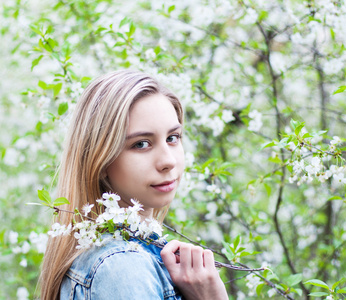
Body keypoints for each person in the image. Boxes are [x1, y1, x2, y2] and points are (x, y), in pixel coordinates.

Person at [39, 70, 229, 300]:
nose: (168, 161)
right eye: (141, 144)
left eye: (172, 138)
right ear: (101, 159)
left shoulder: (136, 255)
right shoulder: (123, 267)